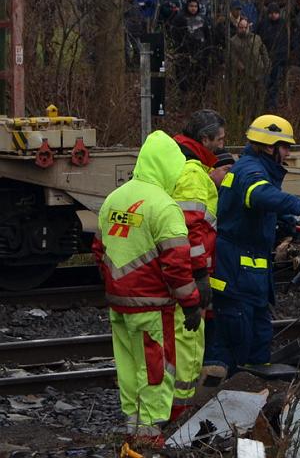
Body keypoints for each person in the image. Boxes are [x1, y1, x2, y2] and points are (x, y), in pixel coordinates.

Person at [92, 130, 201, 447]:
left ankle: (134, 428)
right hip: (152, 306)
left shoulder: (115, 198)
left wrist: (117, 283)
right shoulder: (165, 207)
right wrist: (191, 303)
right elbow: (177, 266)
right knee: (156, 369)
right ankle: (150, 436)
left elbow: (99, 249)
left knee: (128, 368)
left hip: (118, 304)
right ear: (166, 166)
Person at [205, 115, 300, 375]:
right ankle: (228, 401)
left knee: (257, 343)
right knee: (237, 348)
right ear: (271, 147)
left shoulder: (254, 168)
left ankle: (252, 396)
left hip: (250, 278)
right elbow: (259, 194)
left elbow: (252, 207)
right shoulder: (251, 171)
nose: (288, 153)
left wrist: (282, 220)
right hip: (238, 276)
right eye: (286, 147)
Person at [169, 110, 226, 421]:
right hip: (190, 274)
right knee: (188, 343)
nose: (220, 146)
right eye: (218, 140)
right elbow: (192, 229)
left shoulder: (184, 164)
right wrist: (201, 274)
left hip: (183, 269)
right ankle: (181, 413)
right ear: (204, 139)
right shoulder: (193, 173)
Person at [229, 17, 269, 120]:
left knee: (260, 97)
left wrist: (267, 64)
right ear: (238, 28)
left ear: (248, 27)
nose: (243, 29)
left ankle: (259, 117)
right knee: (248, 98)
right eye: (241, 27)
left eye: (245, 27)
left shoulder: (256, 38)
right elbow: (233, 57)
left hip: (259, 72)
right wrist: (240, 66)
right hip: (245, 75)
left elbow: (263, 51)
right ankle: (247, 119)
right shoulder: (234, 41)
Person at [171, 0, 211, 94]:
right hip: (184, 53)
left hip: (200, 53)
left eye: (195, 6)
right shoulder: (180, 18)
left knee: (200, 78)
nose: (193, 8)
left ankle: (199, 97)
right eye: (191, 6)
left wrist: (207, 51)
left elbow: (208, 35)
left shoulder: (203, 18)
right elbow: (174, 34)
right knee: (183, 78)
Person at [256, 3, 287, 109]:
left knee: (274, 83)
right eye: (271, 13)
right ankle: (264, 103)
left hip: (278, 58)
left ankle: (272, 104)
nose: (273, 15)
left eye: (275, 13)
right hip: (265, 58)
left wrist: (284, 57)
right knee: (265, 81)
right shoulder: (263, 24)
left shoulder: (282, 24)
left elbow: (285, 41)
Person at [123, 0, 146, 69]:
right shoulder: (124, 5)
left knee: (138, 49)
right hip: (127, 30)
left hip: (136, 30)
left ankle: (135, 65)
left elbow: (140, 16)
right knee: (127, 49)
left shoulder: (136, 4)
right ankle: (128, 66)